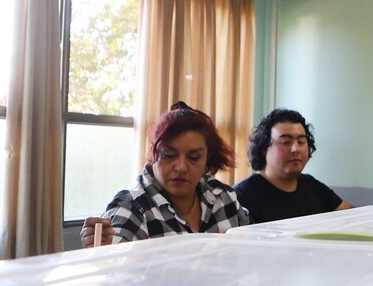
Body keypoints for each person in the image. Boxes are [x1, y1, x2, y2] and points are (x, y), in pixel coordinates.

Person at [80, 101, 249, 246]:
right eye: (169, 155)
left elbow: (252, 252)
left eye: (194, 157)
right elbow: (115, 272)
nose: (181, 167)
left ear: (207, 160)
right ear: (154, 155)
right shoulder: (133, 207)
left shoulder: (224, 198)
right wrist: (101, 249)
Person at [233, 108, 352, 222]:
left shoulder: (312, 186)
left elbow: (354, 217)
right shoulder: (242, 196)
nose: (296, 149)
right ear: (264, 148)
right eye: (286, 142)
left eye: (301, 142)